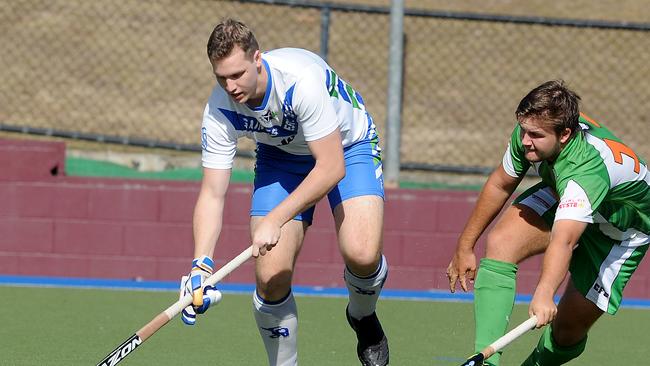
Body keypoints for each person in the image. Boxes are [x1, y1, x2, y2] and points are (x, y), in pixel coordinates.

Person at [179, 18, 389, 366]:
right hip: (282, 156)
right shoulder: (219, 109)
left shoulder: (299, 82)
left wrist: (276, 218)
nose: (230, 86)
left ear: (257, 59)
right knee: (269, 277)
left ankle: (363, 316)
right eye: (221, 77)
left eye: (237, 74)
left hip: (347, 147)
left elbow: (331, 167)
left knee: (362, 253)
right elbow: (212, 194)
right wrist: (200, 265)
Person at [446, 80, 650, 365]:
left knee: (566, 333)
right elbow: (500, 184)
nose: (525, 140)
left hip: (619, 232)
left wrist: (544, 294)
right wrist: (465, 245)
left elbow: (564, 240)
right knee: (502, 242)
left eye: (536, 135)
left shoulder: (584, 173)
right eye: (524, 130)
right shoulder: (533, 131)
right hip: (564, 193)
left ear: (565, 134)